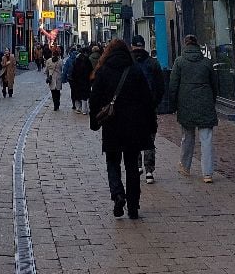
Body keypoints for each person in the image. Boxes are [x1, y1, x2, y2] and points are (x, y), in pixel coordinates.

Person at [89, 38, 156, 220]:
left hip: (112, 126)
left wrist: (94, 122)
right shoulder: (135, 71)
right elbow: (147, 100)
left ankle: (118, 194)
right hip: (133, 127)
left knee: (112, 162)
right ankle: (133, 207)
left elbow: (94, 99)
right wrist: (151, 124)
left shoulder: (103, 71)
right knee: (132, 166)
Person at [168, 34, 219, 183]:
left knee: (187, 137)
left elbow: (173, 86)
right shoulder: (207, 63)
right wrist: (211, 101)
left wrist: (174, 104)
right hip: (205, 103)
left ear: (185, 45)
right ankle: (207, 173)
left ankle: (185, 166)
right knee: (207, 138)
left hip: (186, 104)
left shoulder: (179, 62)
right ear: (197, 46)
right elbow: (214, 85)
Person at [130, 35, 165, 184]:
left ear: (132, 46)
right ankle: (149, 171)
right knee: (149, 139)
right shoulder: (153, 63)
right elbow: (160, 87)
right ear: (144, 46)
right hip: (149, 108)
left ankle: (137, 165)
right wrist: (154, 103)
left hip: (132, 108)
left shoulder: (127, 63)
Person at [69, 44, 93, 114]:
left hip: (77, 81)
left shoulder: (77, 60)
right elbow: (90, 70)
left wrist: (73, 78)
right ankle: (84, 110)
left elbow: (73, 71)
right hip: (85, 80)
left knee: (77, 95)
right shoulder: (87, 60)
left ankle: (78, 108)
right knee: (84, 96)